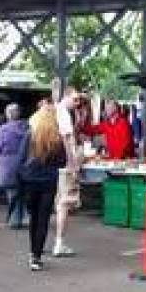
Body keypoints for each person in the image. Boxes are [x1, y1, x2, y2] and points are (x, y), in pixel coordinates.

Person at [17, 104, 66, 271]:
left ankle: (32, 251)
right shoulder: (56, 139)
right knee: (43, 220)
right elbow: (63, 162)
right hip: (48, 182)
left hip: (30, 180)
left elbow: (20, 159)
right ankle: (36, 256)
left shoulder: (30, 136)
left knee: (34, 218)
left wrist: (22, 176)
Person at [52, 86, 82, 258]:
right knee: (64, 204)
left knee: (59, 203)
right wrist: (72, 164)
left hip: (55, 163)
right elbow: (67, 139)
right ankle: (59, 242)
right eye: (75, 99)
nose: (77, 103)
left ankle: (56, 241)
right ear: (67, 96)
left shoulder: (56, 111)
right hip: (65, 165)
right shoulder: (63, 113)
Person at [0, 103, 29, 229]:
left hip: (7, 164)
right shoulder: (27, 129)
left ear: (8, 115)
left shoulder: (2, 130)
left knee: (12, 192)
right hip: (24, 163)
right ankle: (22, 217)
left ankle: (15, 220)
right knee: (21, 191)